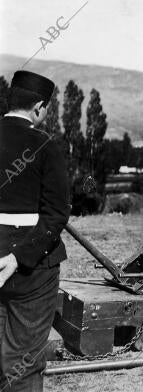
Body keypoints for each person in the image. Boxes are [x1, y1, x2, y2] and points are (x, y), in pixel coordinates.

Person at [0, 71, 70, 391]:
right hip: (32, 270)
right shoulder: (45, 145)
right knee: (23, 362)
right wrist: (18, 258)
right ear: (39, 107)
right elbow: (56, 215)